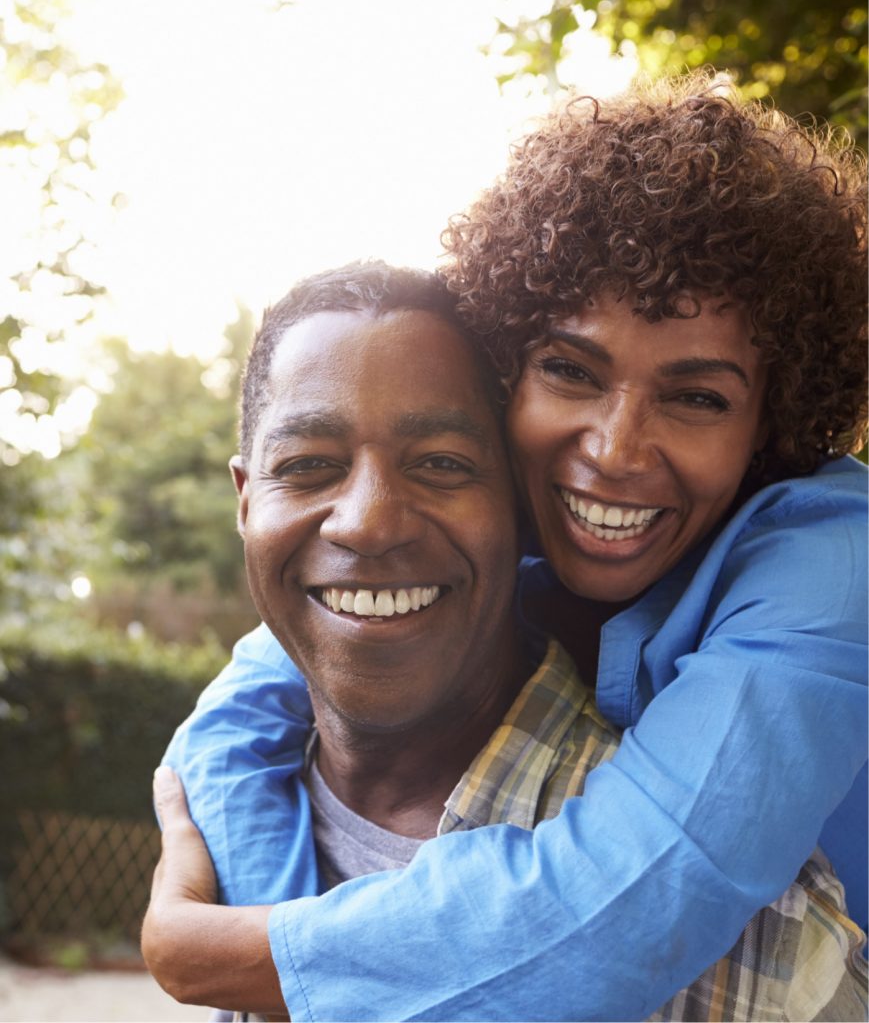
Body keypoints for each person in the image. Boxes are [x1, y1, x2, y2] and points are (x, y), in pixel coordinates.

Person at [152, 72, 868, 1021]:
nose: (613, 451)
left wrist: (219, 954)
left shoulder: (833, 567)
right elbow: (262, 687)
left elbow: (627, 905)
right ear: (508, 378)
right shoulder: (516, 515)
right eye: (570, 370)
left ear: (772, 425)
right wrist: (245, 878)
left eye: (697, 397)